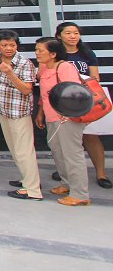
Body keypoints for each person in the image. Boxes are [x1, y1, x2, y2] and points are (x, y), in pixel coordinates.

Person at [0, 30, 41, 200]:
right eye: (4, 45)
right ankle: (27, 179)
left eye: (12, 45)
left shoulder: (24, 63)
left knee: (24, 150)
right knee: (15, 149)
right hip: (2, 109)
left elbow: (26, 89)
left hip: (18, 112)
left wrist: (10, 73)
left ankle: (33, 190)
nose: (8, 48)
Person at [35, 37, 91, 206]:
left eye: (40, 50)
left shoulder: (65, 67)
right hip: (51, 116)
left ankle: (80, 193)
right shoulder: (45, 68)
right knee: (58, 152)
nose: (37, 53)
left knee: (72, 154)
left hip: (66, 118)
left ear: (53, 53)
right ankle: (67, 183)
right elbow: (44, 95)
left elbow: (75, 93)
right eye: (36, 50)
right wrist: (40, 113)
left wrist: (68, 114)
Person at [55, 22, 111, 189]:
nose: (73, 36)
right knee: (66, 139)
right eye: (68, 33)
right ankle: (66, 171)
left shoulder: (87, 53)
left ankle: (101, 173)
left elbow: (95, 77)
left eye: (76, 33)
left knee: (91, 136)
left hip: (86, 99)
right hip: (64, 100)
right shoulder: (56, 54)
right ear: (59, 36)